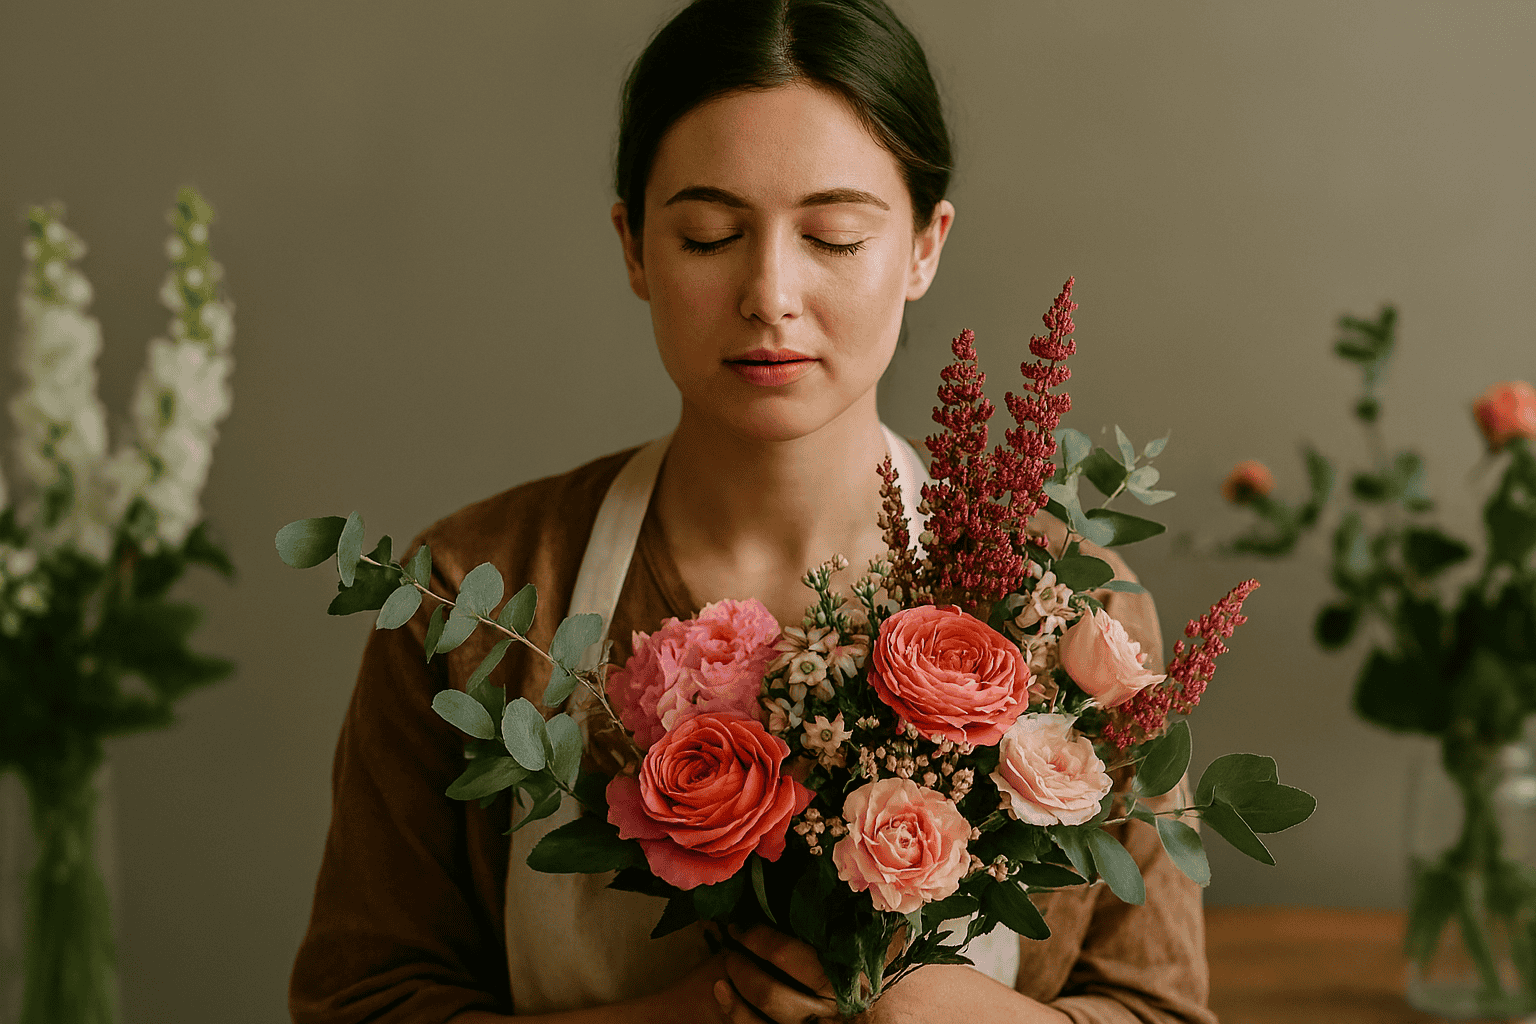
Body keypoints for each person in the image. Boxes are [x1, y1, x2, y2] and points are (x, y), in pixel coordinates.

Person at [289, 1, 1215, 1021]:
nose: (770, 292)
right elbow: (357, 1002)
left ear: (924, 246)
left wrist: (957, 1012)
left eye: (834, 236)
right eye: (711, 235)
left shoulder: (1078, 626)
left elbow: (1158, 1007)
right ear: (634, 247)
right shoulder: (471, 597)